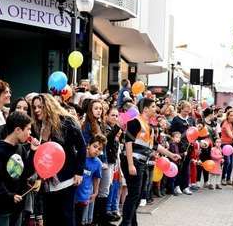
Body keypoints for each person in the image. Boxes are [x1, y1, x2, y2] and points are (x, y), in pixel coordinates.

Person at [119, 97, 180, 226]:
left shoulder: (149, 127)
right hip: (133, 161)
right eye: (153, 107)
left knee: (138, 194)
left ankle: (132, 223)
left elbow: (155, 146)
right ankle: (125, 223)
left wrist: (171, 155)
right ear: (145, 109)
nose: (155, 109)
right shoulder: (135, 122)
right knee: (134, 194)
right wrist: (130, 164)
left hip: (142, 162)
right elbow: (128, 143)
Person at [31, 94, 86, 226]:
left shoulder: (67, 122)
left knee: (66, 216)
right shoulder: (37, 126)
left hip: (66, 178)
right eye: (34, 107)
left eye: (40, 106)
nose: (37, 110)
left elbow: (82, 147)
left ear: (49, 106)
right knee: (50, 217)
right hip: (47, 181)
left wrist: (79, 172)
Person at [0, 112, 38, 226]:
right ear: (18, 130)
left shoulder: (21, 149)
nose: (30, 133)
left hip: (17, 207)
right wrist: (9, 196)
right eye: (28, 129)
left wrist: (33, 152)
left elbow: (26, 173)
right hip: (2, 207)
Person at [75, 134, 106, 226]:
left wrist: (95, 192)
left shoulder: (98, 163)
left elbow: (96, 178)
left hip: (84, 195)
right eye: (95, 146)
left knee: (80, 220)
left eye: (99, 149)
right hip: (73, 192)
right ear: (88, 145)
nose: (97, 150)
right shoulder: (79, 155)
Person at [170, 100, 195, 195]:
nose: (186, 113)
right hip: (179, 147)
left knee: (186, 167)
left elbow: (194, 131)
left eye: (188, 111)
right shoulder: (176, 119)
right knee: (179, 167)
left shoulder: (191, 119)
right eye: (185, 111)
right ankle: (177, 186)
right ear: (181, 109)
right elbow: (172, 132)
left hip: (189, 147)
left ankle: (185, 186)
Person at [220, 110, 233, 186]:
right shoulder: (225, 123)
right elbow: (230, 134)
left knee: (232, 162)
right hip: (225, 144)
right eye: (231, 115)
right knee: (227, 162)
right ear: (228, 116)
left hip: (231, 144)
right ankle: (223, 178)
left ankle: (228, 179)